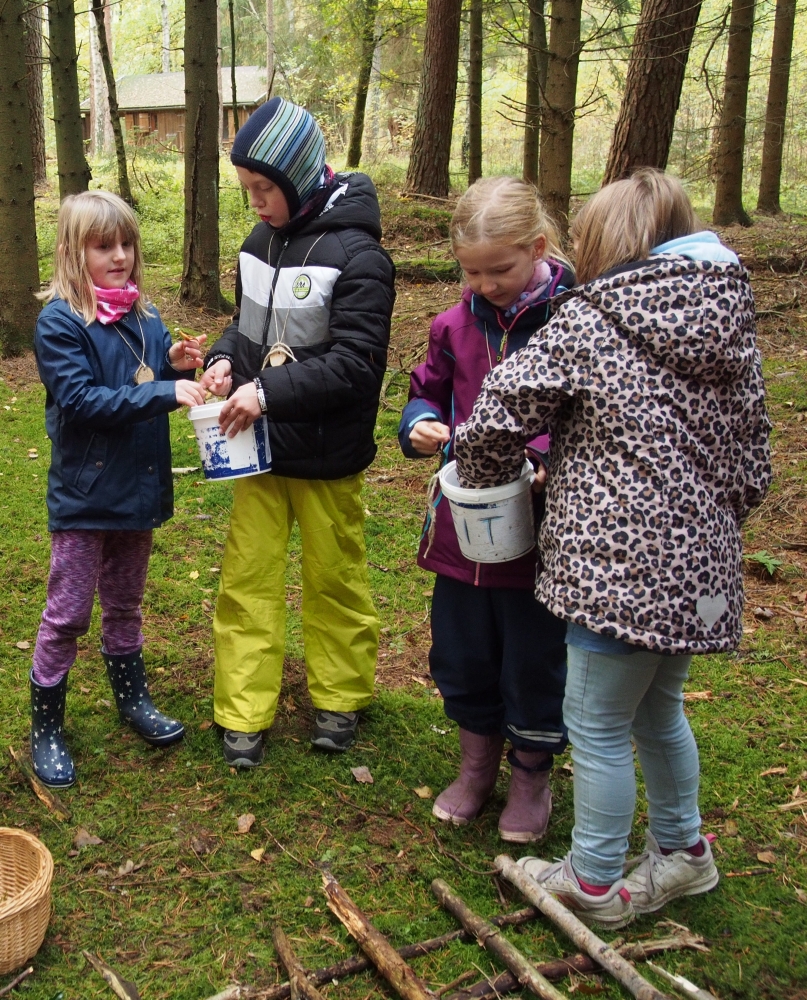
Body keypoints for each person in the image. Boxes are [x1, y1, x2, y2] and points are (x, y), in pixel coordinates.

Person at [454, 168, 771, 925]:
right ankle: (682, 852)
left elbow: (499, 407)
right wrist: (700, 528)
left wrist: (494, 478)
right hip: (698, 569)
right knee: (659, 713)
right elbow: (753, 461)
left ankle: (591, 879)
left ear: (601, 245)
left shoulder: (591, 317)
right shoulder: (728, 317)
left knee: (595, 725)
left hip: (612, 568)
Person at [199, 97, 395, 765]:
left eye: (265, 190)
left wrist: (266, 391)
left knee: (334, 577)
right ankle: (242, 710)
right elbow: (246, 326)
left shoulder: (358, 256)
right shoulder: (259, 245)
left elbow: (355, 365)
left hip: (326, 456)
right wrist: (225, 359)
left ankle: (339, 699)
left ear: (301, 176)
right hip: (256, 453)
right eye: (247, 190)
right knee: (246, 578)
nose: (256, 203)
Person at [398, 177, 574, 842]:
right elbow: (426, 392)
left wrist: (540, 460)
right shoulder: (453, 324)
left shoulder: (571, 321)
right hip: (461, 525)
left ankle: (530, 773)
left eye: (499, 269)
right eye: (470, 272)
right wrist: (418, 423)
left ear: (536, 247)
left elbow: (586, 413)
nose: (484, 285)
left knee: (532, 655)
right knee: (463, 650)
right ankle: (477, 766)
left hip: (540, 534)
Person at [32, 189, 207, 789]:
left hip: (138, 492)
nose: (120, 255)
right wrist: (164, 392)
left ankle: (133, 700)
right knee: (68, 613)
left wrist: (177, 364)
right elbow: (82, 401)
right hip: (86, 501)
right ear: (72, 252)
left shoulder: (145, 315)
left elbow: (153, 373)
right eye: (103, 245)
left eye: (126, 243)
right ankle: (47, 726)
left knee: (126, 603)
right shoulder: (59, 321)